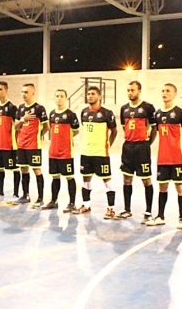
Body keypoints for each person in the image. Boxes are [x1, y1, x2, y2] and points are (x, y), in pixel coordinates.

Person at [146, 83, 182, 228]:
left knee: (179, 186)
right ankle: (160, 216)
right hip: (162, 157)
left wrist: (180, 149)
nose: (165, 93)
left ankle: (181, 218)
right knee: (162, 187)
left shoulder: (180, 113)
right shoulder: (158, 114)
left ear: (174, 94)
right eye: (163, 90)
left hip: (177, 157)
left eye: (168, 91)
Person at [73, 86, 118, 218]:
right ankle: (86, 205)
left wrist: (108, 144)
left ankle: (111, 208)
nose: (90, 96)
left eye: (93, 94)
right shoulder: (84, 112)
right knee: (86, 179)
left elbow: (114, 131)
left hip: (101, 153)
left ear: (99, 97)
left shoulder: (106, 113)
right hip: (86, 152)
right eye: (88, 94)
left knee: (106, 180)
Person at [117, 81, 157, 222]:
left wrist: (147, 143)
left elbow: (154, 128)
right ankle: (127, 210)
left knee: (146, 180)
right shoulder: (124, 109)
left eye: (132, 90)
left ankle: (148, 211)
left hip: (142, 148)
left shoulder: (148, 108)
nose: (130, 92)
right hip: (127, 147)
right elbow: (125, 127)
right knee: (127, 179)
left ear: (139, 91)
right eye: (128, 90)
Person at [42, 89, 80, 212]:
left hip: (66, 152)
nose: (59, 98)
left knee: (69, 177)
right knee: (55, 177)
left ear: (66, 98)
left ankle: (72, 203)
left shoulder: (70, 115)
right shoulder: (52, 114)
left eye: (61, 96)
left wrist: (66, 139)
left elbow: (76, 130)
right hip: (53, 152)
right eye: (57, 96)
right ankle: (54, 201)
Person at [12, 83, 49, 207]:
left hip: (33, 146)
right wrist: (23, 119)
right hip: (21, 144)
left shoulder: (39, 108)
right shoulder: (21, 108)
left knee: (36, 170)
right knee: (24, 169)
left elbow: (46, 126)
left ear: (33, 93)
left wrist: (39, 136)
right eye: (22, 92)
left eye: (26, 92)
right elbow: (16, 126)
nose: (24, 94)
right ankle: (25, 195)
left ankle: (40, 198)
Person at [0, 81, 20, 201]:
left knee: (14, 169)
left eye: (1, 89)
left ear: (6, 90)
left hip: (10, 145)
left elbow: (17, 125)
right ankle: (0, 192)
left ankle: (16, 193)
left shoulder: (12, 107)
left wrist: (13, 140)